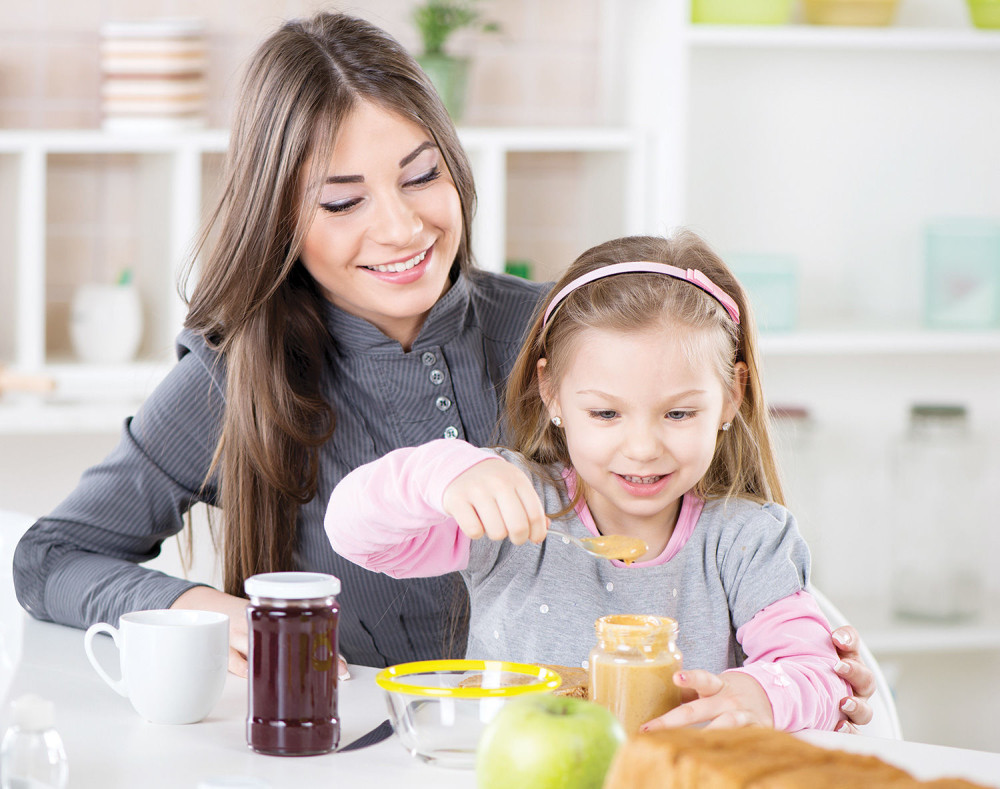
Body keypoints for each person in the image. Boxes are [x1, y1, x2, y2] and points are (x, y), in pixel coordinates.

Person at [11, 11, 874, 729]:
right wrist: (197, 608)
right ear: (278, 219)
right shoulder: (238, 374)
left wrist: (805, 673)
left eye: (421, 177)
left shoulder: (562, 336)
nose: (399, 228)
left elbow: (717, 534)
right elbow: (51, 557)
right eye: (342, 201)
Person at [326, 232, 853, 731]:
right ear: (552, 391)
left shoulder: (747, 541)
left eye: (678, 414)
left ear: (731, 397)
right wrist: (440, 472)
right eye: (605, 413)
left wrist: (760, 693)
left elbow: (815, 672)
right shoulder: (514, 505)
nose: (643, 447)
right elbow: (356, 534)